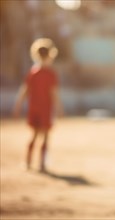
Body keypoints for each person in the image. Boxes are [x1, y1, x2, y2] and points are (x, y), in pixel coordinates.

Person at [13, 38, 63, 172]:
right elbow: (54, 94)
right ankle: (42, 164)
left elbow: (24, 91)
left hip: (34, 108)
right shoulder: (50, 74)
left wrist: (18, 105)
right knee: (45, 137)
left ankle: (28, 162)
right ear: (50, 55)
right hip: (45, 110)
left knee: (34, 135)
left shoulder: (32, 72)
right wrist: (59, 109)